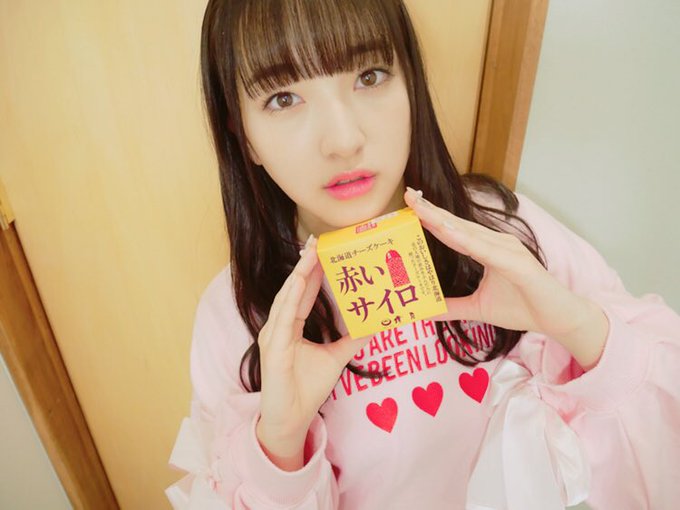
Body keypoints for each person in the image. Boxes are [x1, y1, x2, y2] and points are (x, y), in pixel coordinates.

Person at [165, 0, 680, 508]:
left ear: (410, 81)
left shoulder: (502, 230)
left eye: (369, 76)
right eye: (283, 99)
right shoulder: (235, 313)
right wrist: (280, 442)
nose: (343, 140)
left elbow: (657, 436)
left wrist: (576, 328)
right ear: (243, 136)